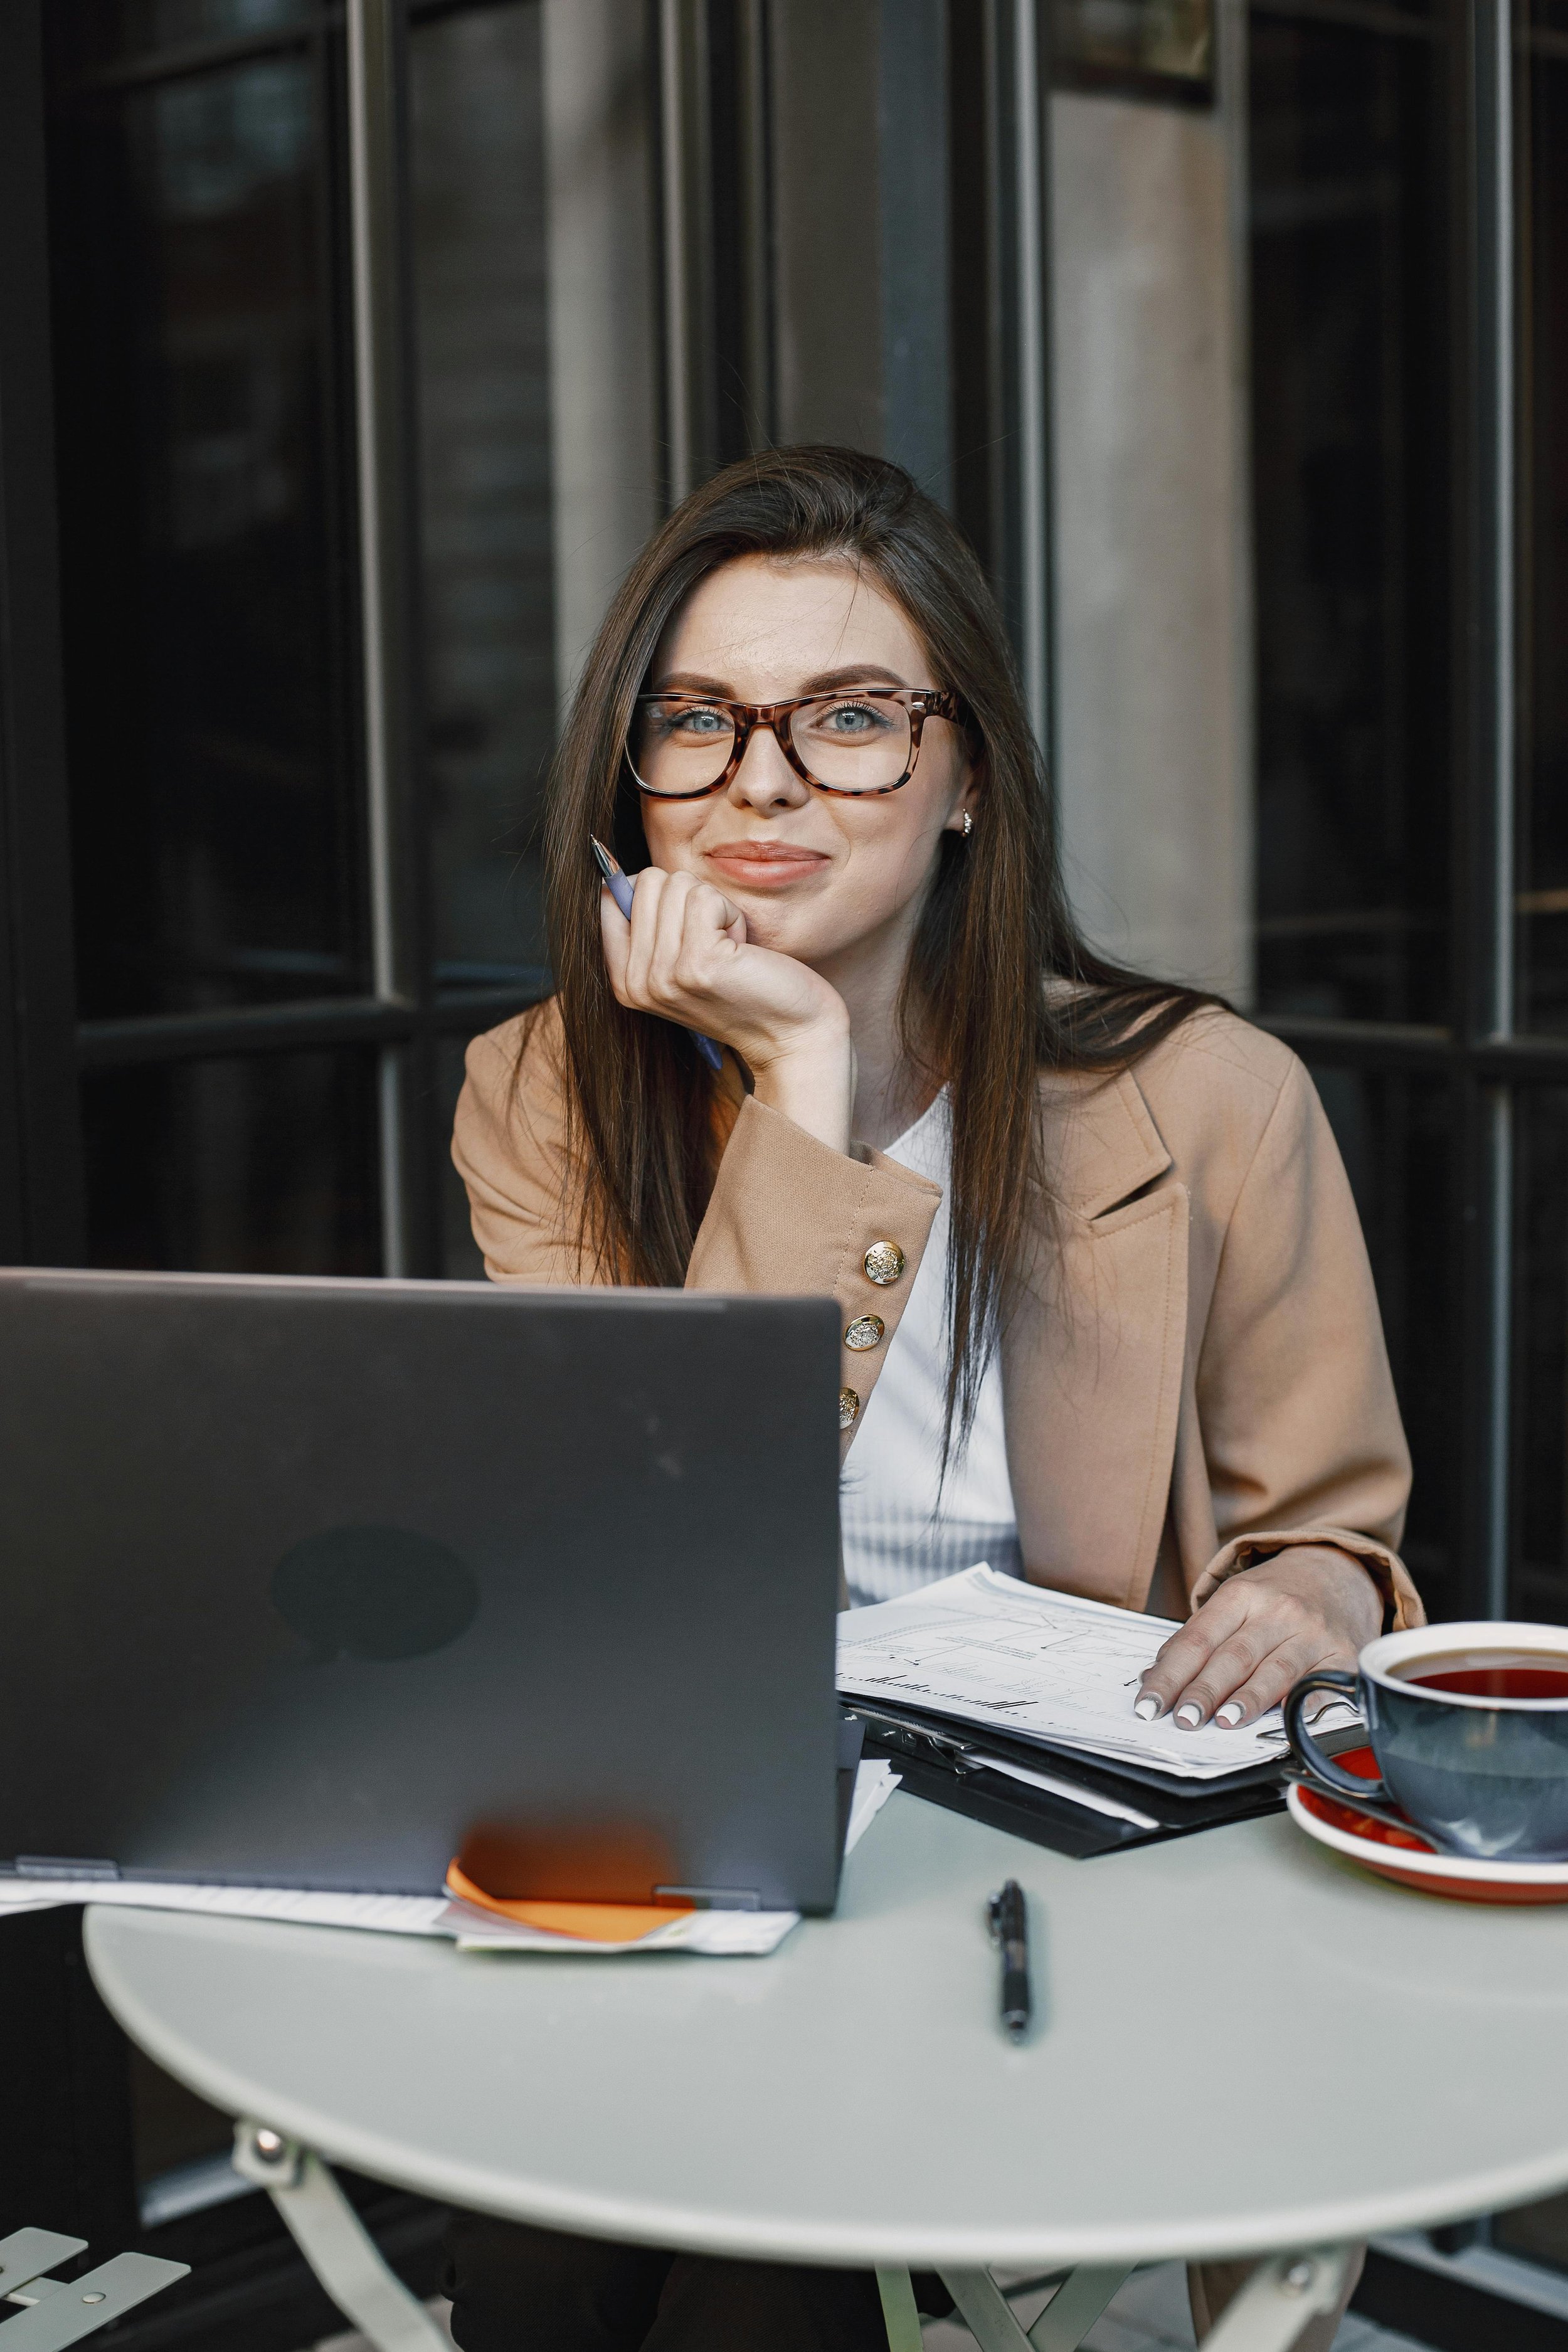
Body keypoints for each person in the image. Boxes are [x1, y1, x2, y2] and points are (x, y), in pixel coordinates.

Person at [447, 445, 1419, 2351]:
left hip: (1041, 1867)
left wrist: (1306, 1591)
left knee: (759, 2302)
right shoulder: (544, 1091)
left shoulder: (1210, 1099)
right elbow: (644, 1570)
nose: (762, 780)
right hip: (692, 1830)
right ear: (627, 775)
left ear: (966, 773)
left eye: (853, 719)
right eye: (698, 721)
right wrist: (798, 1084)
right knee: (535, 2252)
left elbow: (1333, 1529)